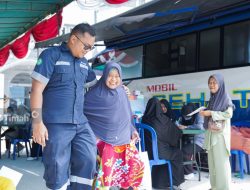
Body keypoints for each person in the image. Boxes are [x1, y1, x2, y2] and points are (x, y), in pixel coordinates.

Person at [30, 23, 97, 190]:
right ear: (74, 39)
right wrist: (37, 123)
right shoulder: (50, 55)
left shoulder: (84, 63)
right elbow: (36, 90)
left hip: (80, 123)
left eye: (91, 47)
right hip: (56, 124)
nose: (88, 50)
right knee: (57, 167)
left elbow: (96, 85)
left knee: (88, 159)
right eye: (86, 46)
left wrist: (119, 87)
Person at [84, 62, 143, 189]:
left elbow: (126, 113)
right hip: (105, 142)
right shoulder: (94, 94)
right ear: (105, 76)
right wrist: (92, 135)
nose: (114, 80)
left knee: (131, 172)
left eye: (117, 76)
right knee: (106, 178)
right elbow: (81, 113)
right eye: (110, 76)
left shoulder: (122, 92)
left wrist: (132, 129)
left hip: (125, 141)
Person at [200, 73, 234, 190]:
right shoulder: (213, 99)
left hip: (220, 137)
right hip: (211, 135)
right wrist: (205, 111)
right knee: (213, 164)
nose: (211, 85)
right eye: (210, 83)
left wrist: (211, 113)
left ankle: (224, 188)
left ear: (220, 84)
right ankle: (214, 187)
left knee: (221, 165)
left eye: (214, 82)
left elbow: (229, 114)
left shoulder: (225, 98)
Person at [141, 97, 184, 190]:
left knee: (166, 150)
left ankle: (157, 182)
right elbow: (175, 135)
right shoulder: (162, 120)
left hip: (145, 153)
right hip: (159, 153)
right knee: (177, 153)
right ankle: (175, 183)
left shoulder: (143, 120)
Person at [177, 103, 205, 180]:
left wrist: (186, 127)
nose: (186, 118)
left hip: (199, 142)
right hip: (188, 140)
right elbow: (179, 123)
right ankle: (181, 171)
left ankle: (189, 173)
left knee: (184, 151)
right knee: (177, 148)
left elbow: (199, 127)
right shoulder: (182, 116)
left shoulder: (199, 115)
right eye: (184, 116)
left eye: (188, 116)